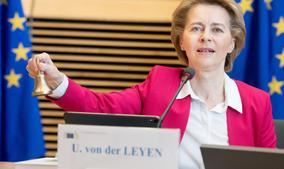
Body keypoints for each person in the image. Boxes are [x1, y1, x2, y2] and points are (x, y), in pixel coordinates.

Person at [26, 0, 277, 168]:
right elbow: (100, 107)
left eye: (217, 30)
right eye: (196, 28)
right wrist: (57, 82)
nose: (206, 37)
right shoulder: (162, 83)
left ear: (232, 43)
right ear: (181, 41)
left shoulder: (255, 101)